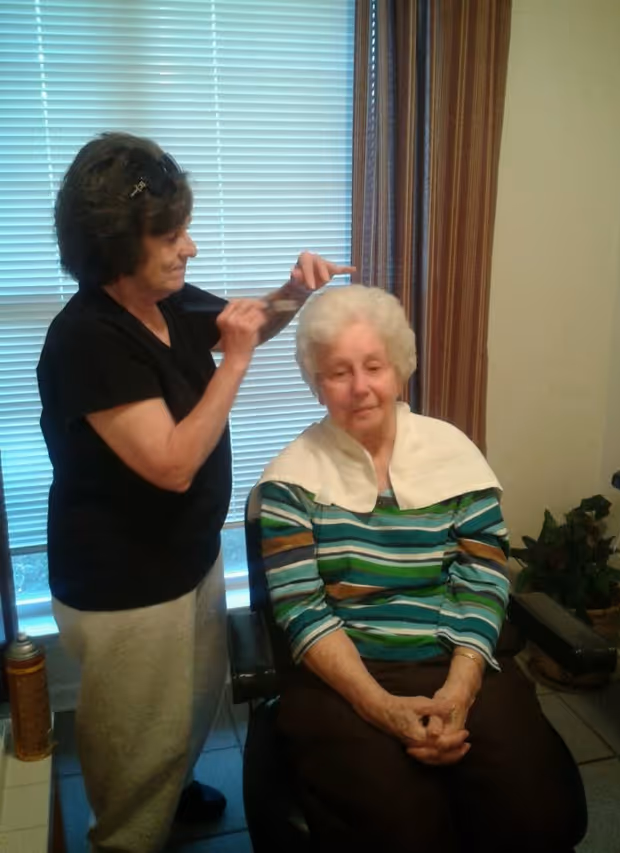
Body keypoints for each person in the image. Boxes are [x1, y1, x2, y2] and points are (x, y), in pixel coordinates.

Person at [36, 131, 354, 853]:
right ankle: (125, 834)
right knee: (135, 733)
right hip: (124, 583)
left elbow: (246, 324)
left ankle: (171, 790)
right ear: (119, 244)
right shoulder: (87, 339)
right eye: (173, 235)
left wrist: (294, 294)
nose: (191, 249)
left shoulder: (163, 298)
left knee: (185, 702)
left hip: (183, 553)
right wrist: (233, 367)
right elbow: (173, 463)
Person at [256, 284, 588, 853]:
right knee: (400, 833)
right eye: (338, 372)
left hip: (457, 655)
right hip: (347, 673)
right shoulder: (289, 481)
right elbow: (300, 607)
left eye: (373, 366)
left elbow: (482, 577)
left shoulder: (451, 453)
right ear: (315, 382)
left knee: (538, 819)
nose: (360, 387)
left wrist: (459, 690)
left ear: (400, 368)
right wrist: (379, 706)